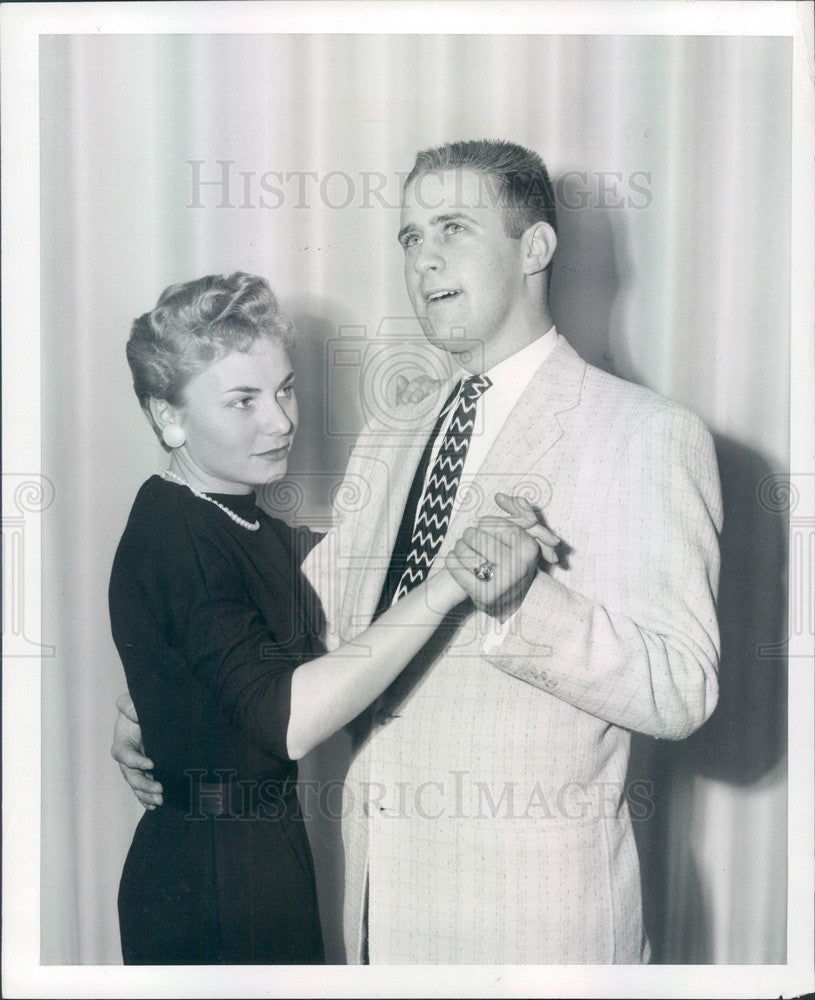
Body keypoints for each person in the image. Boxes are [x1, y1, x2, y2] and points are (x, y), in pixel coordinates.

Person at [115, 139, 723, 964]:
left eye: (452, 228)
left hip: (535, 929)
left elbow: (680, 688)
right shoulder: (395, 429)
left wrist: (519, 601)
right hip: (379, 914)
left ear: (534, 247)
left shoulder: (646, 434)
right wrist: (168, 705)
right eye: (408, 236)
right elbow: (308, 613)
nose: (423, 258)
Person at [110, 271, 547, 964]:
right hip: (208, 889)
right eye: (242, 401)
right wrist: (445, 587)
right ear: (168, 417)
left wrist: (151, 695)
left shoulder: (242, 519)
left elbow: (347, 567)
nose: (280, 420)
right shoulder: (176, 532)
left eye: (284, 388)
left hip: (258, 862)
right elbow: (289, 720)